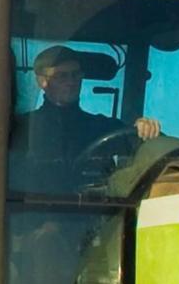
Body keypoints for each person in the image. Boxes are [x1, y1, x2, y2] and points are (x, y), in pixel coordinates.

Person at [8, 45, 154, 197]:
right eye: (62, 76)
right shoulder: (21, 129)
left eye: (75, 75)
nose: (71, 82)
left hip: (97, 215)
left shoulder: (103, 127)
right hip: (32, 215)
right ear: (42, 82)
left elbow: (141, 145)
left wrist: (144, 129)